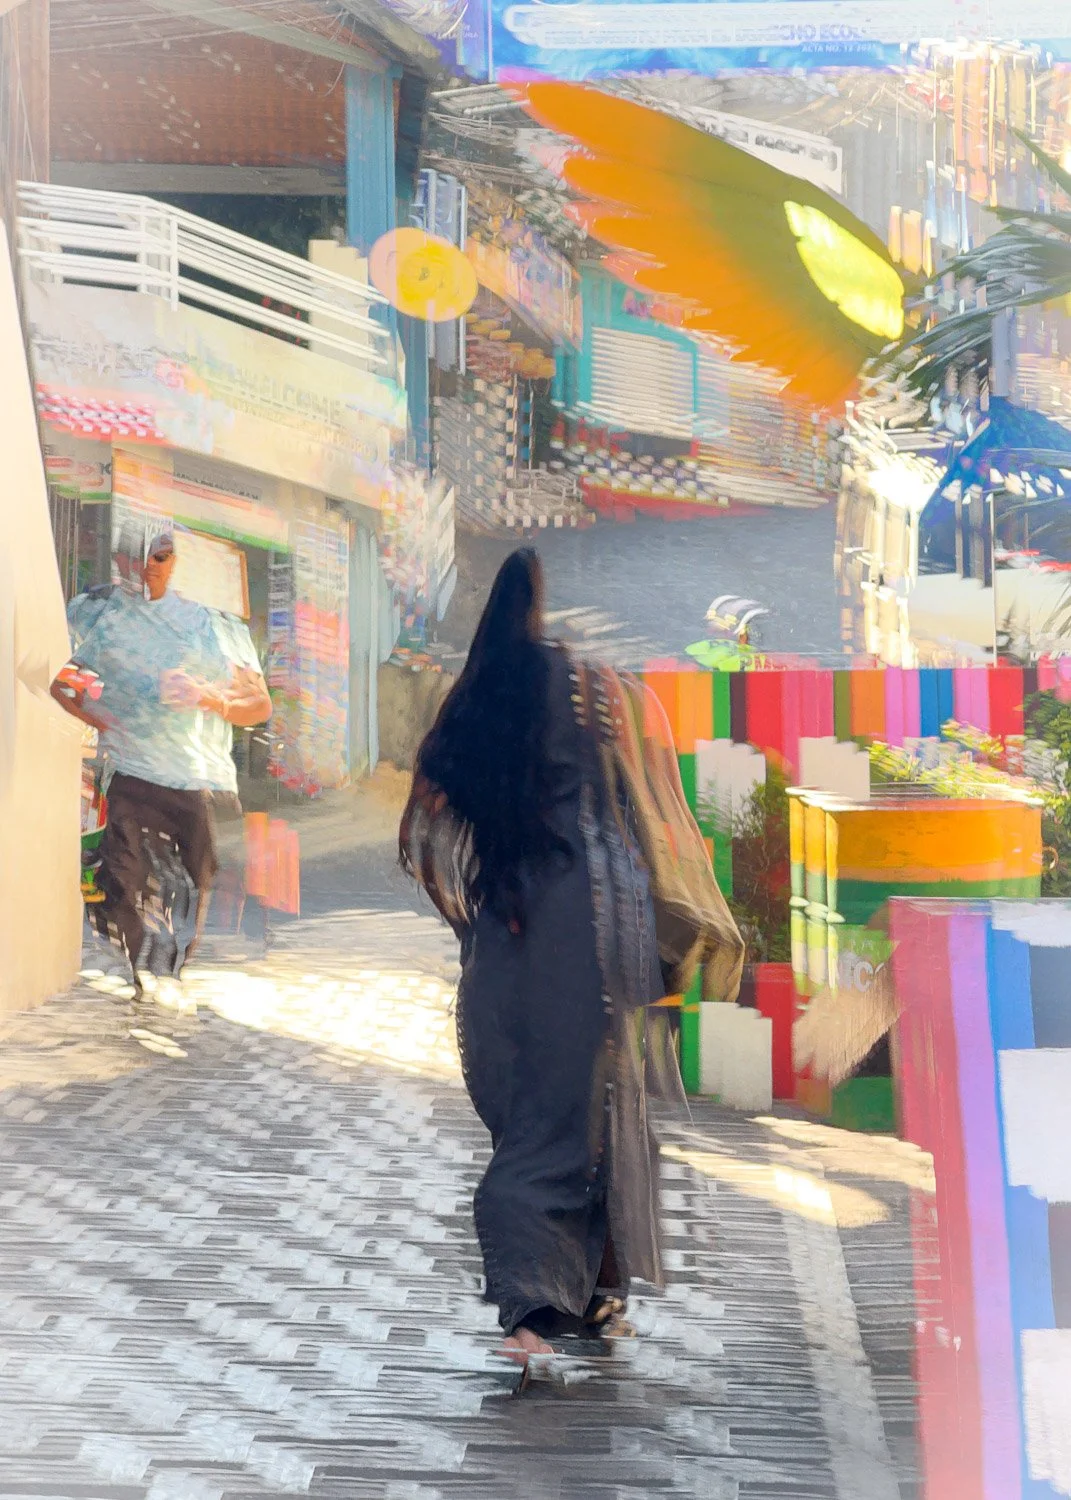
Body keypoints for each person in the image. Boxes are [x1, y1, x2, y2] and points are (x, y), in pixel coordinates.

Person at [399, 549, 743, 1371]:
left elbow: (437, 798)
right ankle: (540, 1299)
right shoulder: (597, 689)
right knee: (592, 1108)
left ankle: (577, 1291)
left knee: (524, 1107)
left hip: (510, 925)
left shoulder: (478, 692)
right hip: (595, 924)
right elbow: (644, 801)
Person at [51, 520, 272, 993]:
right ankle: (137, 973)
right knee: (121, 878)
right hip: (129, 773)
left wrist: (208, 698)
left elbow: (259, 705)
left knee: (195, 880)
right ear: (119, 560)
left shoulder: (214, 625)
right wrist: (102, 715)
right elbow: (67, 683)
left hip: (193, 778)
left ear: (177, 563)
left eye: (159, 556)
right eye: (135, 556)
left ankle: (169, 968)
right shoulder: (105, 616)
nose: (145, 566)